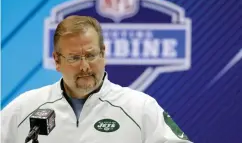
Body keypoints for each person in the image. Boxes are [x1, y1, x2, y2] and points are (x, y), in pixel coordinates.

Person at [1, 15, 192, 143]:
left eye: (91, 55)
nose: (85, 66)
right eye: (75, 58)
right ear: (57, 61)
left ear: (103, 54)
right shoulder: (24, 109)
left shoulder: (140, 108)